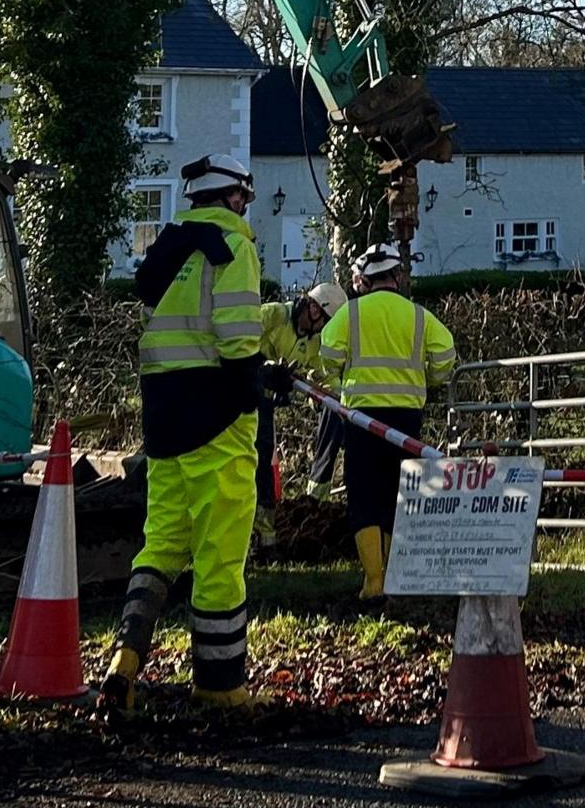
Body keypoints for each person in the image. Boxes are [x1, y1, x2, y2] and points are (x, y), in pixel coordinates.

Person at [105, 154, 288, 711]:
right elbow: (234, 340)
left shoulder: (170, 251)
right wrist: (258, 381)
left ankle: (125, 660)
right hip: (219, 421)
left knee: (161, 543)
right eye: (244, 199)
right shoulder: (234, 245)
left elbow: (179, 334)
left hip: (163, 420)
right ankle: (220, 684)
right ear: (235, 197)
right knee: (219, 556)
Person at [320, 243, 458, 599]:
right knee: (398, 494)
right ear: (398, 277)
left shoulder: (349, 314)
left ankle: (373, 581)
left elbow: (328, 354)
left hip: (363, 418)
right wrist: (428, 380)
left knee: (364, 494)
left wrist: (340, 381)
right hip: (406, 417)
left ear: (362, 280)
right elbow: (445, 356)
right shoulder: (419, 316)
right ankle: (395, 577)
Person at [251, 282, 346, 543]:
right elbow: (237, 341)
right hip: (236, 395)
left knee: (262, 464)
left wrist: (343, 399)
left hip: (263, 404)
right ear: (314, 309)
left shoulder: (312, 342)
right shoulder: (274, 314)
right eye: (325, 321)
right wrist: (261, 368)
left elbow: (322, 376)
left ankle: (264, 534)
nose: (324, 329)